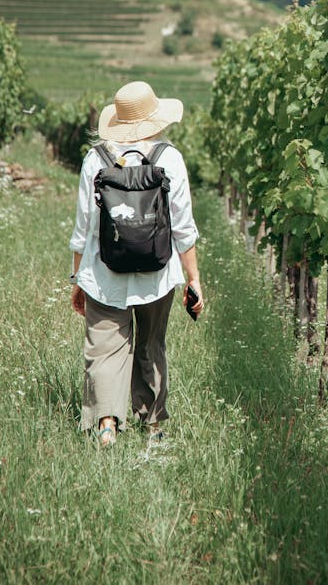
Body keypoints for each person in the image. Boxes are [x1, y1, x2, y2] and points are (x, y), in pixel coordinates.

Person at [69, 80, 204, 445]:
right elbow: (183, 226)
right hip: (157, 272)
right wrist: (193, 278)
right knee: (151, 344)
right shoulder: (169, 159)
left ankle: (107, 423)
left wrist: (78, 277)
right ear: (155, 119)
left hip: (103, 270)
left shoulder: (95, 159)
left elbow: (83, 226)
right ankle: (154, 425)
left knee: (105, 346)